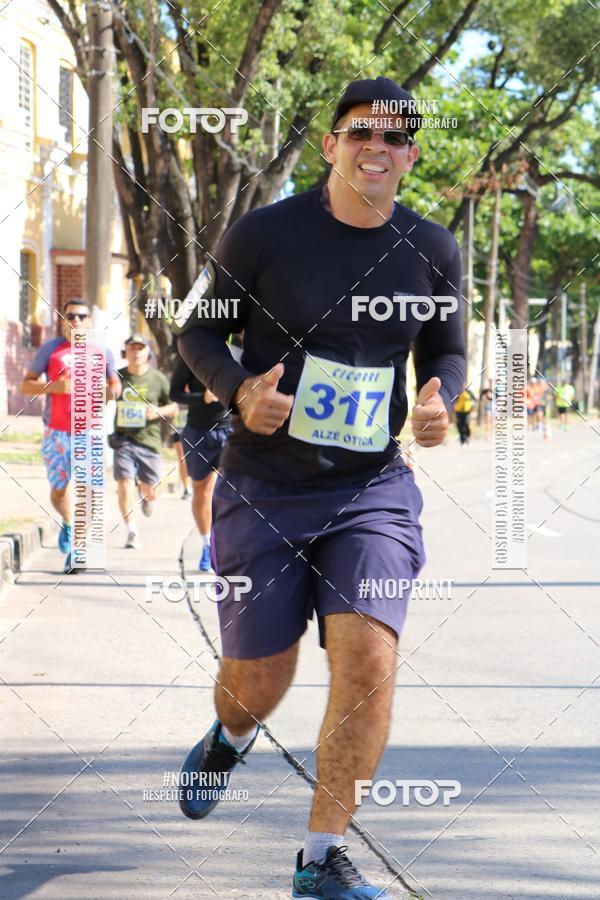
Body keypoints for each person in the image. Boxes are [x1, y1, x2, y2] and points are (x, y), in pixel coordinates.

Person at [175, 77, 465, 899]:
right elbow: (195, 329)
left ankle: (319, 859)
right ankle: (231, 736)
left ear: (411, 153)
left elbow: (446, 348)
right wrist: (238, 391)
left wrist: (443, 395)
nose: (378, 146)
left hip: (369, 485)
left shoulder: (431, 247)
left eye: (396, 137)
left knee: (369, 658)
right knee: (261, 678)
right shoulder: (264, 233)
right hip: (263, 485)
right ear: (333, 143)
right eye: (360, 132)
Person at [20, 298, 121, 573]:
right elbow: (26, 384)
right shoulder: (50, 350)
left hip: (88, 431)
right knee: (58, 491)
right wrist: (54, 387)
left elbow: (115, 384)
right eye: (70, 316)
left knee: (88, 491)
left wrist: (109, 394)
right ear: (62, 320)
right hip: (56, 433)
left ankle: (78, 549)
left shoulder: (102, 351)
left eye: (81, 316)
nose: (75, 320)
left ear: (89, 322)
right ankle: (66, 522)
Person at [169, 350, 237, 571]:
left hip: (230, 430)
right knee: (202, 490)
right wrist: (203, 398)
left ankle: (227, 545)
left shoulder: (237, 354)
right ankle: (207, 544)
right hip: (198, 431)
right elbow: (175, 393)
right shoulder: (191, 354)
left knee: (230, 490)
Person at [111, 333, 178, 549]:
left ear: (148, 352)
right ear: (126, 351)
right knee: (124, 484)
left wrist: (158, 411)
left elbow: (174, 407)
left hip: (150, 441)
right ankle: (132, 531)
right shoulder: (117, 377)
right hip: (123, 440)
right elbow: (102, 397)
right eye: (132, 348)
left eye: (140, 348)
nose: (136, 352)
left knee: (152, 491)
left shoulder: (158, 378)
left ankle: (146, 494)